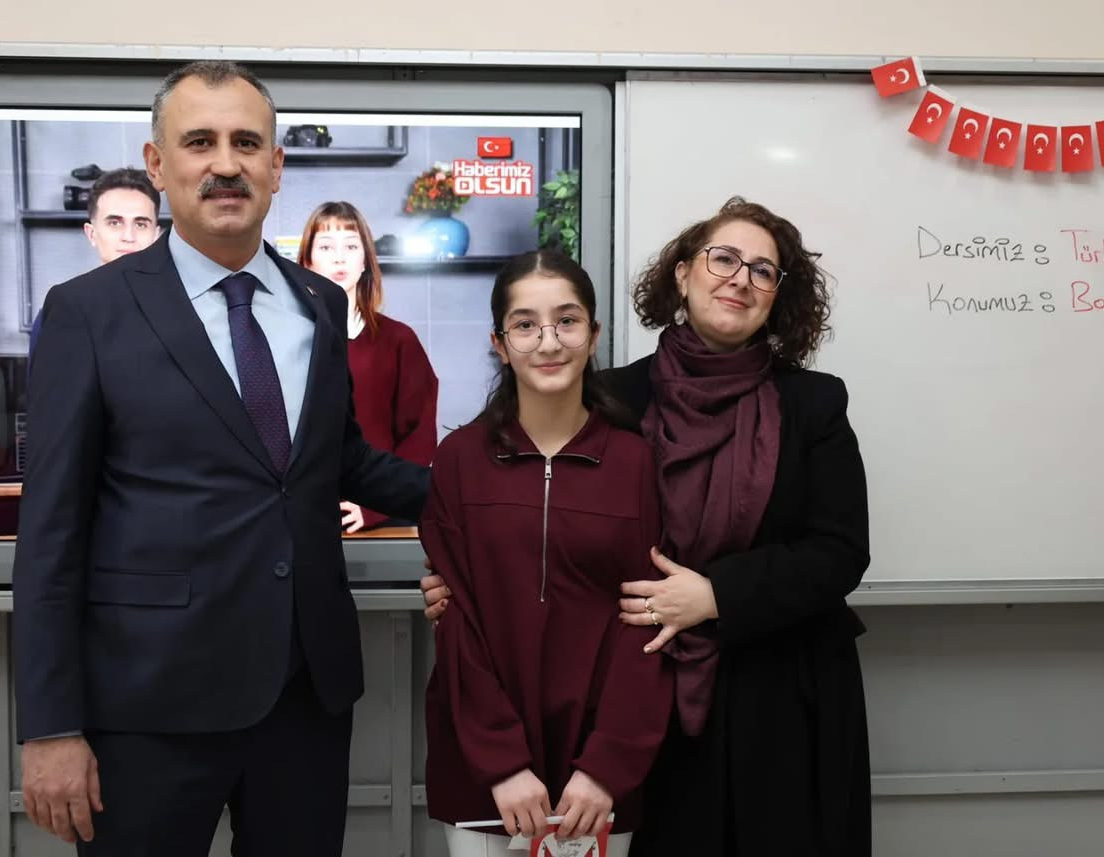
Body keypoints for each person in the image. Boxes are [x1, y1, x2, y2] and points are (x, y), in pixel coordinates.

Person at [12, 60, 429, 857]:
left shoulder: (318, 302)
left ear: (277, 165)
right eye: (199, 142)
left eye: (247, 143)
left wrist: (486, 495)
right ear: (158, 163)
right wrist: (50, 724)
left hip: (303, 697)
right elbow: (51, 534)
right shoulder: (88, 312)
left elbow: (338, 459)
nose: (226, 163)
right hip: (147, 705)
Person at [423, 197, 872, 856]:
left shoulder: (813, 403)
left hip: (779, 692)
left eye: (763, 270)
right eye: (724, 259)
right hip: (652, 705)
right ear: (683, 274)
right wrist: (459, 579)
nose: (740, 279)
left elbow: (840, 552)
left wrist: (715, 594)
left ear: (779, 295)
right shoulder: (619, 400)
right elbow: (535, 514)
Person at [421, 249, 671, 857]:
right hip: (484, 772)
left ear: (594, 335)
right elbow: (457, 623)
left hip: (599, 780)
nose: (549, 342)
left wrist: (607, 765)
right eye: (526, 325)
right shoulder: (459, 461)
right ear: (500, 344)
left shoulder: (638, 463)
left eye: (567, 321)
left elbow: (648, 623)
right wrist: (502, 763)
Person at [300, 201, 438, 533]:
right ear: (307, 260)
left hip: (382, 516)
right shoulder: (287, 337)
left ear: (365, 260)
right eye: (326, 247)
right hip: (303, 515)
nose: (339, 258)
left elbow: (419, 435)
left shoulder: (398, 339)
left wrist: (373, 506)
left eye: (351, 246)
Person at [28, 167, 161, 356]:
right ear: (92, 234)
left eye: (140, 224)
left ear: (156, 236)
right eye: (115, 223)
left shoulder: (182, 312)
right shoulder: (60, 315)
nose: (128, 236)